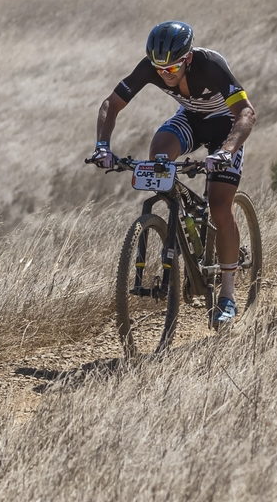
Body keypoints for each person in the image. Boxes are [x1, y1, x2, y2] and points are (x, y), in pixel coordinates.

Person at [89, 21, 256, 328]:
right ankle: (182, 224)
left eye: (172, 68)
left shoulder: (210, 65)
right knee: (159, 156)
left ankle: (228, 295)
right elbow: (111, 104)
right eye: (159, 69)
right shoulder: (152, 67)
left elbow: (246, 113)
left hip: (225, 127)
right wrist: (102, 146)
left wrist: (226, 152)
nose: (165, 74)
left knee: (220, 206)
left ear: (188, 58)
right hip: (190, 119)